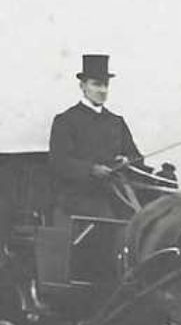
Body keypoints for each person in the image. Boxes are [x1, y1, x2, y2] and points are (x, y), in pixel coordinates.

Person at [47, 53, 144, 220]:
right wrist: (91, 170)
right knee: (108, 219)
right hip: (80, 196)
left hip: (116, 193)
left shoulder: (116, 122)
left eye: (105, 85)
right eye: (96, 84)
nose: (102, 90)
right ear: (83, 86)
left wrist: (126, 161)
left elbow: (137, 157)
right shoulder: (66, 120)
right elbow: (59, 161)